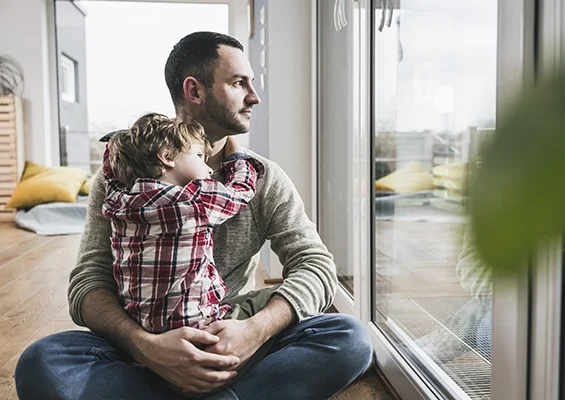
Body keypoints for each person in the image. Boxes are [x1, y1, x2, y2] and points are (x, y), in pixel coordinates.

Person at [14, 31, 373, 400]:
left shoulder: (261, 178)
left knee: (350, 339)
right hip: (146, 346)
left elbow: (315, 264)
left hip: (231, 341)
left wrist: (255, 332)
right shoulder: (122, 172)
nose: (254, 96)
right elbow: (89, 280)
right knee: (41, 361)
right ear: (195, 91)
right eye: (238, 83)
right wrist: (145, 346)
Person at [102, 113, 272, 335]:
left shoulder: (119, 202)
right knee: (275, 297)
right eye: (199, 156)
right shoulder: (196, 201)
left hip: (140, 326)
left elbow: (110, 177)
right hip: (198, 327)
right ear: (166, 156)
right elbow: (241, 190)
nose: (209, 168)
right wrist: (236, 155)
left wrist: (116, 147)